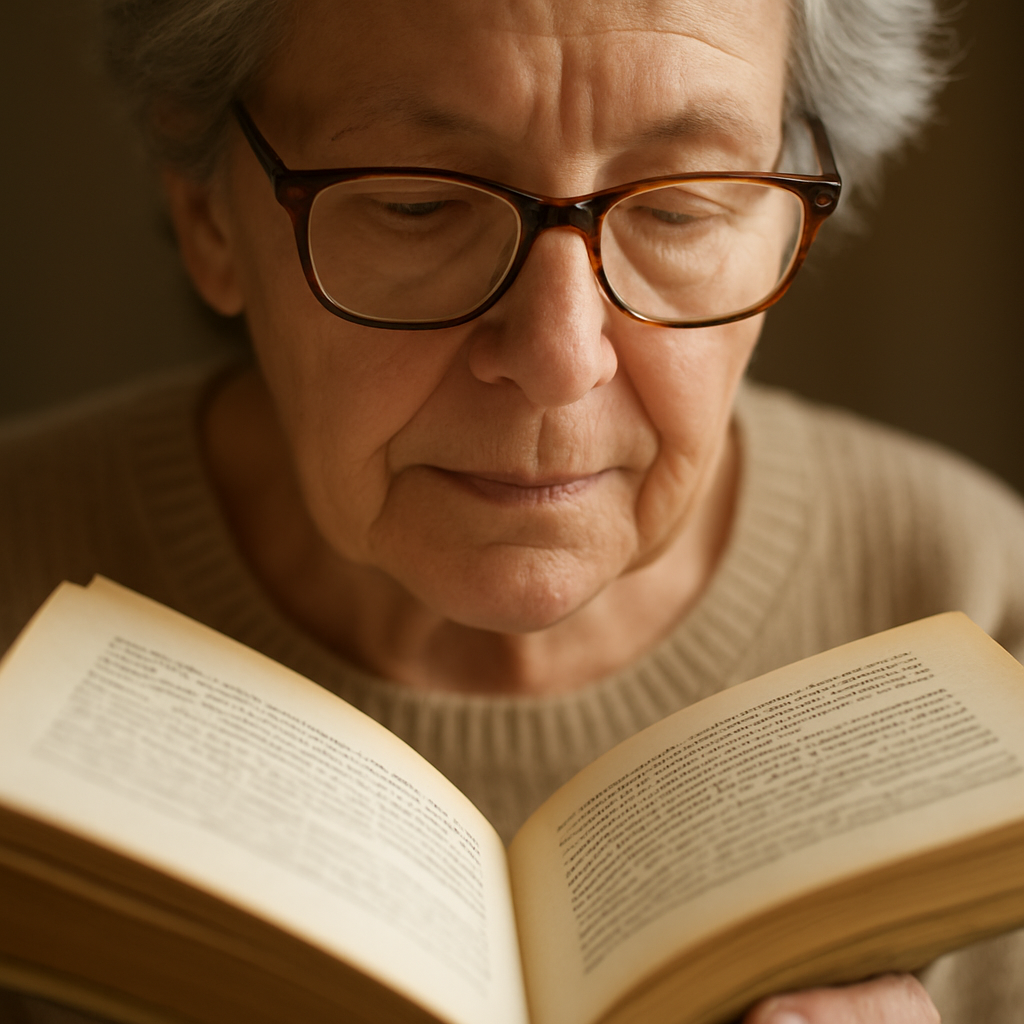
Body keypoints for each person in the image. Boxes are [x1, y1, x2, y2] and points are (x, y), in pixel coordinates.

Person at [1, 0, 1023, 1022]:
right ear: (207, 209)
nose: (559, 358)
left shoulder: (975, 608)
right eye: (418, 203)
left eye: (678, 208)